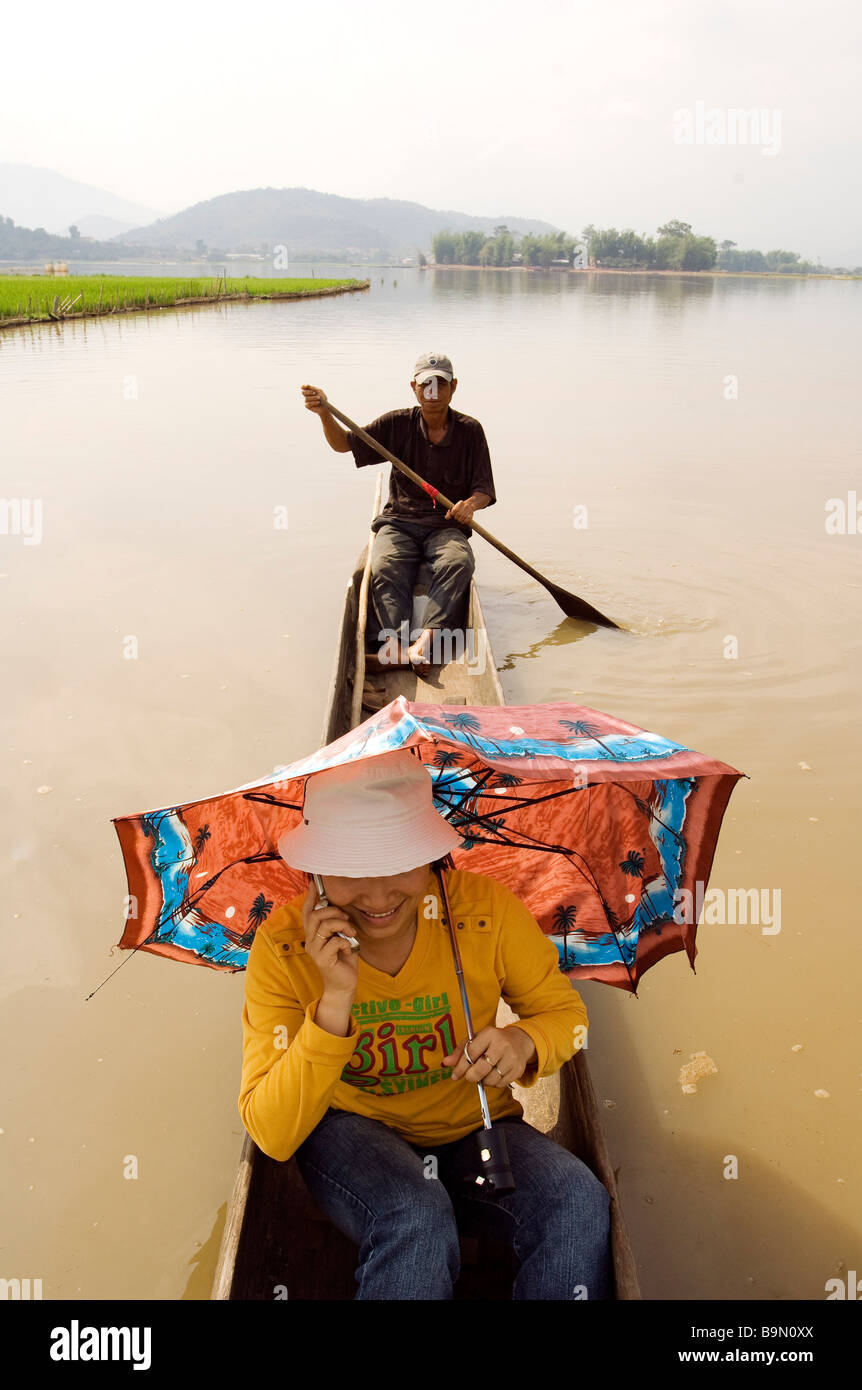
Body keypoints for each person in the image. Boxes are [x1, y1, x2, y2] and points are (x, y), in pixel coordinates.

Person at [238, 748, 613, 1300]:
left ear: (434, 855)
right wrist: (334, 999)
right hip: (351, 1134)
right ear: (313, 872)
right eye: (350, 871)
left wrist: (523, 1041)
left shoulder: (483, 911)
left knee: (576, 1201)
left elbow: (567, 1017)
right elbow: (270, 1133)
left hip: (475, 1129)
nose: (378, 895)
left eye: (400, 863)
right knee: (413, 1212)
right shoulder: (283, 945)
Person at [301, 353, 496, 674]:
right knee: (384, 565)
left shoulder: (470, 431)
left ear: (453, 387)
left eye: (440, 384)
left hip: (445, 526)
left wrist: (469, 505)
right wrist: (324, 413)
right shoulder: (397, 423)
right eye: (426, 385)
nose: (432, 392)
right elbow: (343, 444)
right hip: (399, 522)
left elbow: (484, 489)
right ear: (414, 388)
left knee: (458, 563)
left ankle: (421, 646)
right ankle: (393, 646)